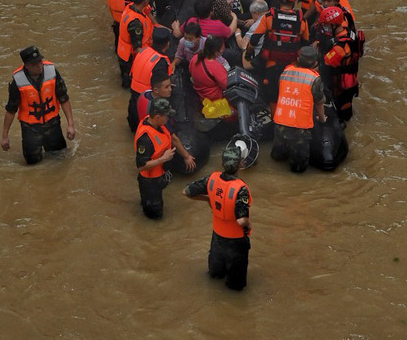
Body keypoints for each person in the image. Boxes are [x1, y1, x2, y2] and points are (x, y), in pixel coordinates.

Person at [184, 140, 253, 291]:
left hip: (217, 240)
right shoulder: (241, 189)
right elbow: (241, 220)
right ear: (240, 165)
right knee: (236, 287)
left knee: (215, 277)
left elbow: (187, 192)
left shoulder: (212, 179)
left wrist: (207, 199)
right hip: (235, 244)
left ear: (222, 163)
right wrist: (249, 225)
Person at [0, 45, 75, 164]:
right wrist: (5, 136)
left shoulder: (52, 72)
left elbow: (64, 98)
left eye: (40, 61)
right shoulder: (18, 81)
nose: (39, 65)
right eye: (35, 63)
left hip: (53, 125)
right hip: (30, 129)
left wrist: (70, 124)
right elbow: (11, 110)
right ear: (27, 65)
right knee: (32, 164)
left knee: (60, 160)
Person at [245, 0, 308, 102]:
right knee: (290, 95)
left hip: (271, 63)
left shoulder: (269, 17)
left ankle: (273, 114)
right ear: (293, 1)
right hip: (292, 64)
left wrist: (248, 55)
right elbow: (305, 45)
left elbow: (254, 40)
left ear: (279, 0)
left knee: (272, 96)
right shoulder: (302, 20)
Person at [134, 97, 195, 219]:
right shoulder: (145, 139)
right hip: (150, 182)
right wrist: (163, 159)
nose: (168, 119)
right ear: (157, 117)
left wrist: (186, 156)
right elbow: (141, 166)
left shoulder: (159, 124)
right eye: (166, 116)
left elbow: (172, 139)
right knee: (155, 216)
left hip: (160, 176)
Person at [270, 44, 326, 173]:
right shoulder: (315, 79)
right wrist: (322, 119)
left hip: (280, 122)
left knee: (277, 157)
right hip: (300, 128)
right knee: (298, 167)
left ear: (299, 59)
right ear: (315, 62)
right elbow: (319, 102)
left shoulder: (285, 72)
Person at [313, 5, 360, 124]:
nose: (325, 28)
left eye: (327, 26)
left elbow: (325, 63)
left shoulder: (340, 47)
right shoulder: (348, 32)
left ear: (334, 25)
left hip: (342, 84)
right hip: (349, 79)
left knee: (341, 114)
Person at [128, 24, 174, 131]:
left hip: (134, 102)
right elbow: (162, 87)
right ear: (168, 43)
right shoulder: (161, 62)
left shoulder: (143, 51)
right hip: (148, 103)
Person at [117, 0, 155, 87]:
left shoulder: (130, 6)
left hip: (123, 51)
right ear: (145, 0)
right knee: (130, 82)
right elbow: (137, 49)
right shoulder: (136, 23)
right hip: (130, 57)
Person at [188, 35, 231, 107]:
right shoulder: (216, 67)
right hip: (215, 99)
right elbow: (227, 85)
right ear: (216, 52)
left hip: (201, 96)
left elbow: (190, 71)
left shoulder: (195, 58)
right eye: (221, 50)